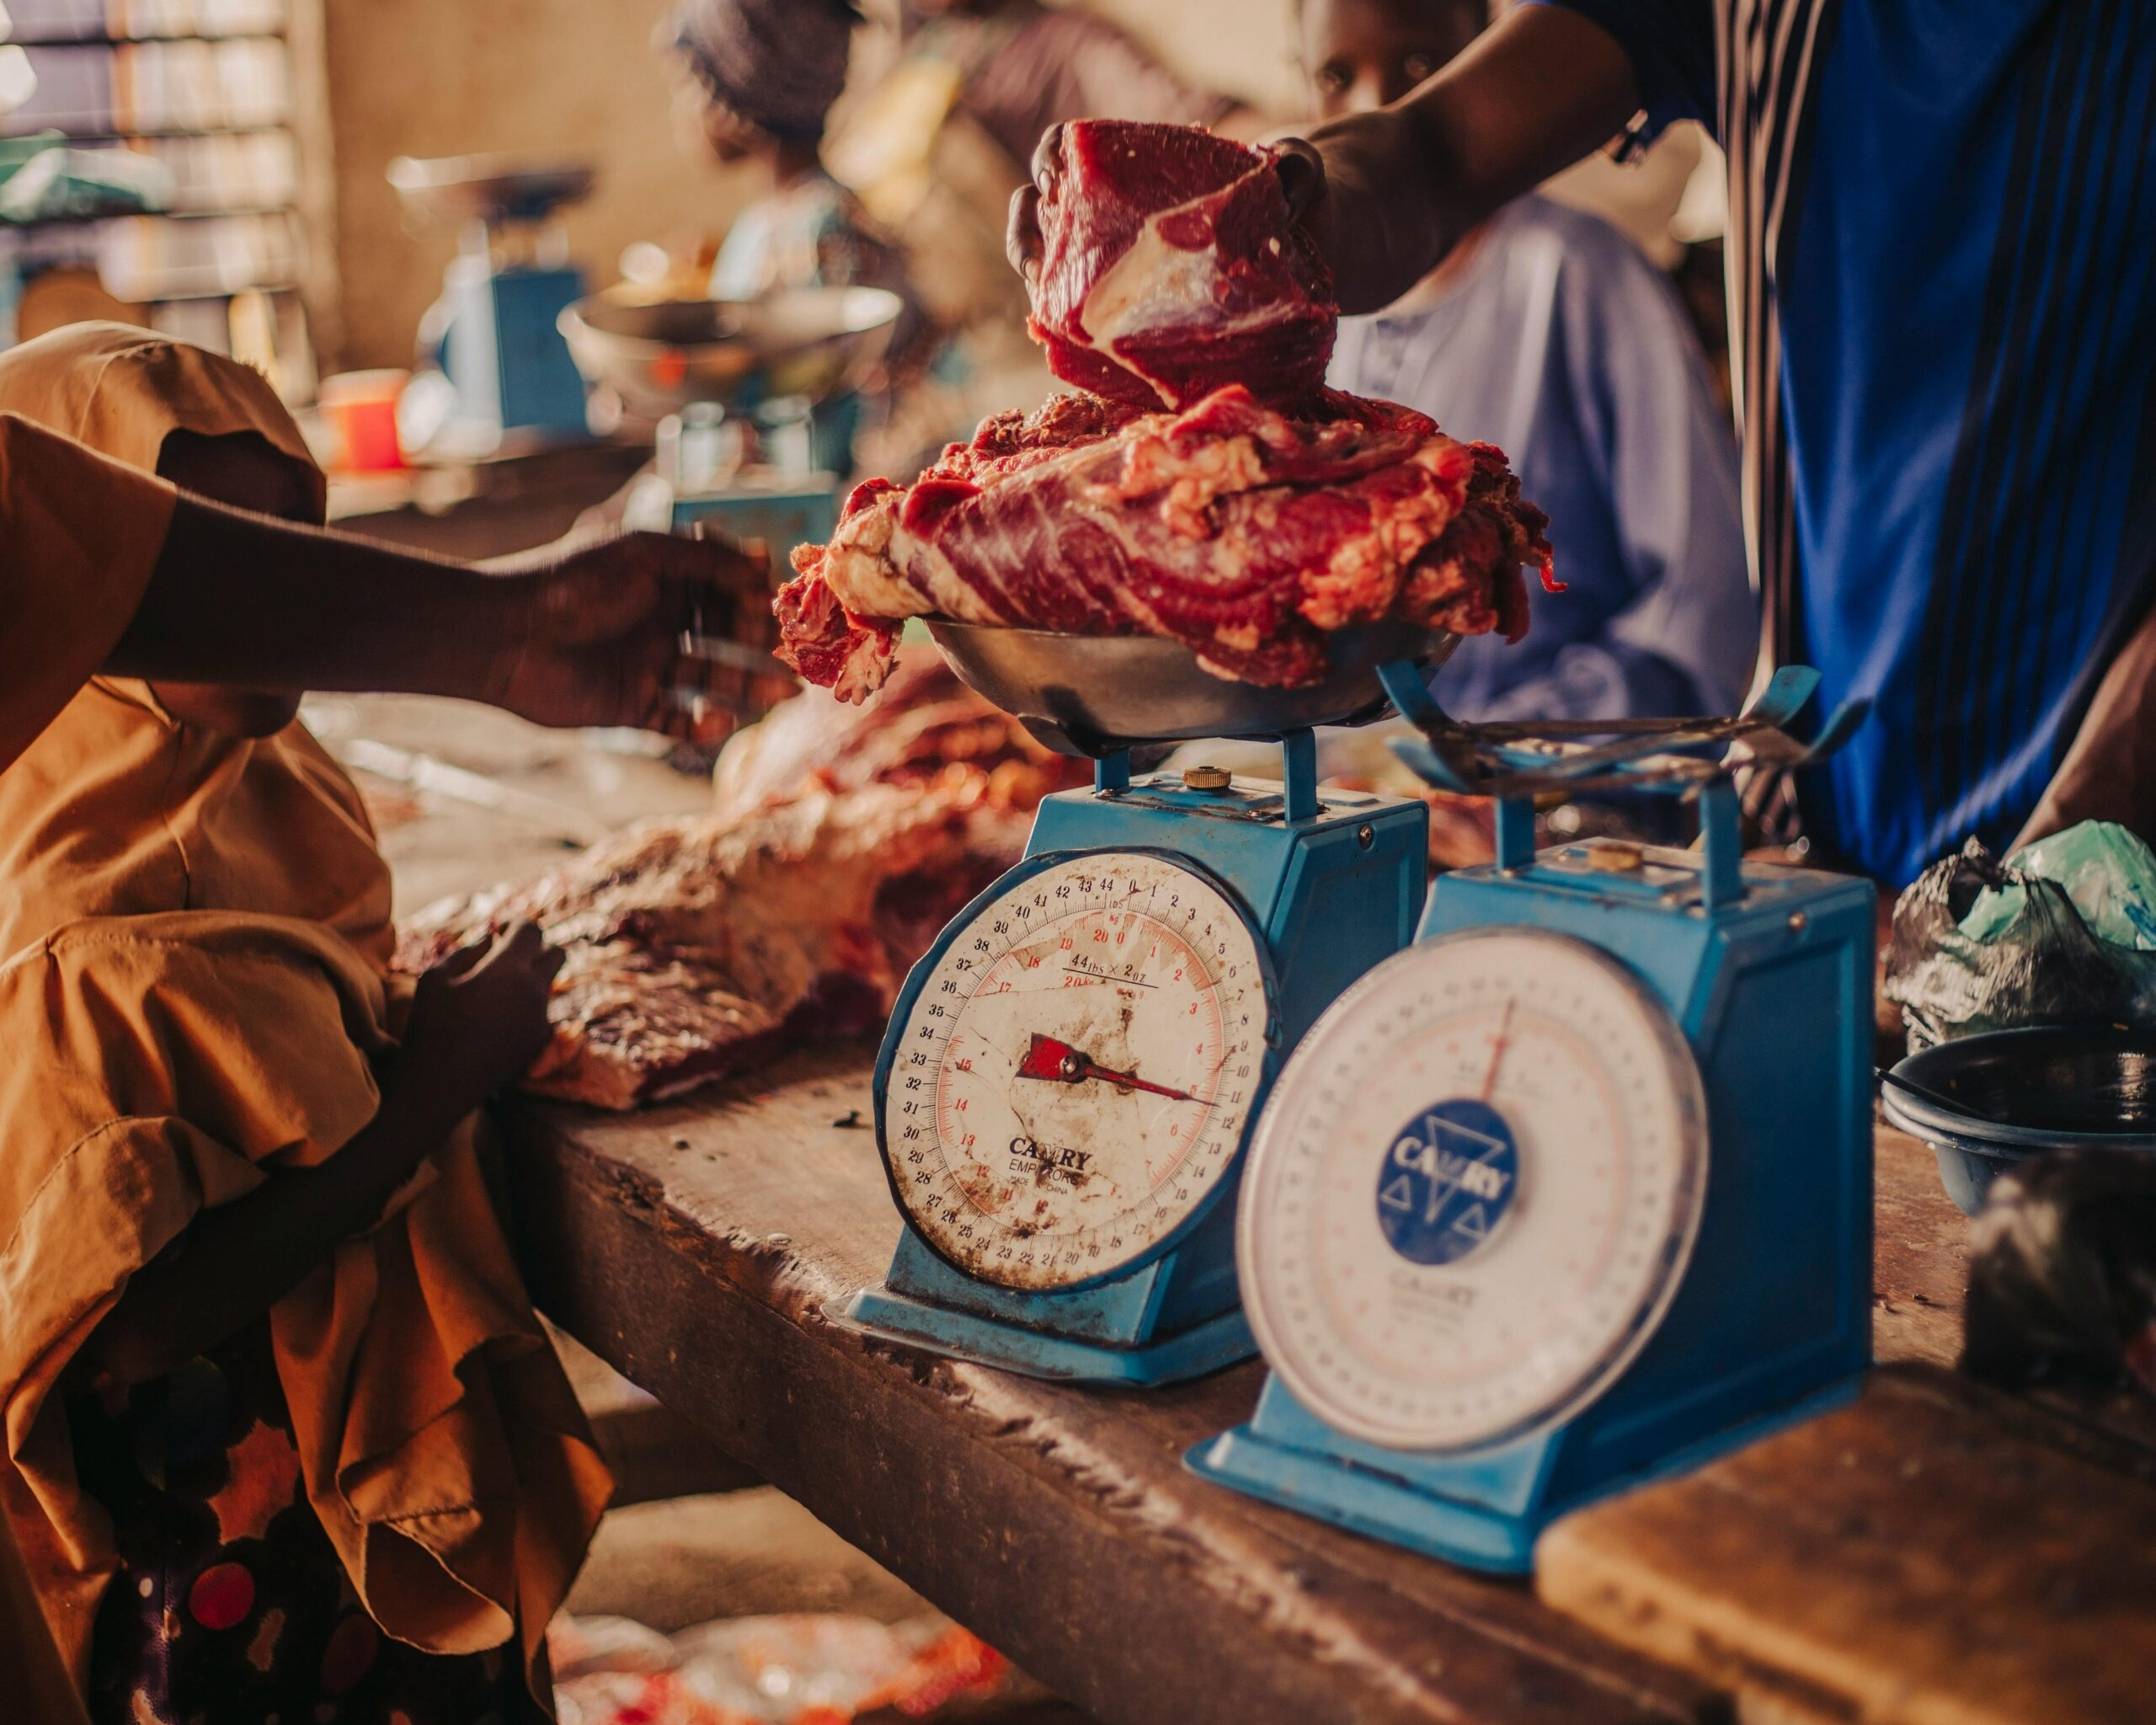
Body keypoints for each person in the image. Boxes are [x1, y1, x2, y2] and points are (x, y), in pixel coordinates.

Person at [1013, 3, 2156, 887]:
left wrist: (2071, 862)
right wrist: (1267, 213)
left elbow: (1687, 614)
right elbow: (1437, 149)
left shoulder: (1580, 283)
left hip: (2109, 824)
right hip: (1825, 805)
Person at [0, 326, 614, 1724]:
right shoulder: (75, 933)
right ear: (95, 573)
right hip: (227, 1596)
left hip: (335, 1563)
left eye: (288, 533)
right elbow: (124, 1332)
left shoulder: (262, 795)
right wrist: (430, 1090)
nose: (257, 590)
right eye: (199, 545)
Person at [1303, 0, 1753, 723]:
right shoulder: (1303, 319)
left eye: (1422, 68)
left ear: (1492, 63)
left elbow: (1700, 617)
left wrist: (1481, 766)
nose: (1375, 108)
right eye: (1334, 75)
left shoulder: (1578, 275)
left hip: (1556, 793)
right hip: (1349, 792)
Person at [659, 0, 916, 476]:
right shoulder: (767, 223)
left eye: (686, 83)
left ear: (739, 102)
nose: (678, 109)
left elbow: (833, 427)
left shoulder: (823, 236)